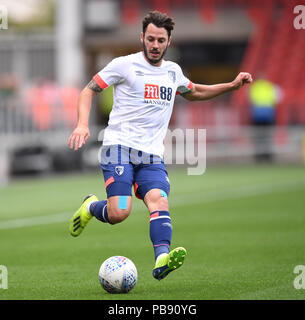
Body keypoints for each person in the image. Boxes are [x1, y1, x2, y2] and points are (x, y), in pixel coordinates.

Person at [68, 11, 252, 281]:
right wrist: (82, 124)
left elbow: (196, 92)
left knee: (159, 201)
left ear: (168, 41)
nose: (155, 45)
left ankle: (161, 260)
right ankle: (91, 208)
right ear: (142, 37)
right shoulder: (124, 65)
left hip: (152, 155)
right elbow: (88, 90)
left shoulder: (173, 71)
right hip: (118, 147)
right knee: (119, 212)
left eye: (161, 40)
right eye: (151, 39)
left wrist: (231, 86)